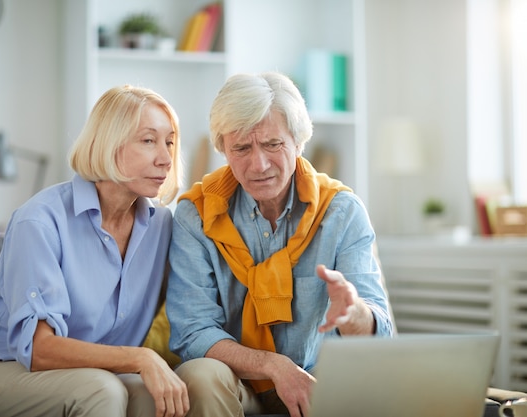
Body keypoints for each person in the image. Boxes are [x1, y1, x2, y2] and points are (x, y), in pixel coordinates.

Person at [0, 85, 190, 417]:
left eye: (169, 142)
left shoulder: (161, 226)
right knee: (103, 391)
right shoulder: (40, 220)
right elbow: (40, 349)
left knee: (163, 396)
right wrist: (140, 358)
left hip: (89, 376)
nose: (165, 158)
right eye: (148, 140)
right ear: (108, 145)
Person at [166, 71, 394, 417]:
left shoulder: (342, 212)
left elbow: (381, 335)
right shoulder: (195, 216)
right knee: (200, 374)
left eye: (273, 144)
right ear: (223, 148)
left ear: (298, 142)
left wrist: (354, 314)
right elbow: (192, 333)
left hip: (321, 382)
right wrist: (273, 366)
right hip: (238, 382)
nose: (259, 165)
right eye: (241, 148)